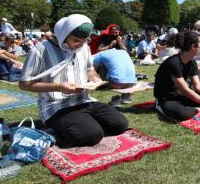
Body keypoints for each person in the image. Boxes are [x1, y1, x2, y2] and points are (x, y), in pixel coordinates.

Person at [19, 14, 128, 148]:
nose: (80, 45)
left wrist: (95, 78)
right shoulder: (41, 50)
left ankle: (82, 124)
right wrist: (58, 86)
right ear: (63, 35)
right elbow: (24, 84)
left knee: (119, 124)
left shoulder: (84, 47)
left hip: (84, 100)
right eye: (76, 40)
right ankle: (56, 130)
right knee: (92, 135)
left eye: (85, 40)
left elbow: (89, 70)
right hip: (55, 105)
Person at [154, 31, 200, 121]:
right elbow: (185, 90)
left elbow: (198, 86)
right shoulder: (173, 63)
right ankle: (160, 106)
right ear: (193, 46)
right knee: (182, 114)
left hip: (181, 95)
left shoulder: (192, 62)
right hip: (167, 98)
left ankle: (198, 108)